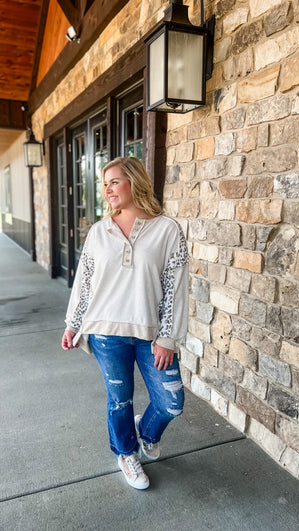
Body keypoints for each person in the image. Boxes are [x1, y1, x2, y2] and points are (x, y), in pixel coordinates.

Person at [62, 157, 189, 490]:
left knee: (171, 403)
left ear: (134, 182)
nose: (107, 190)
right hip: (106, 332)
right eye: (105, 184)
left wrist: (168, 337)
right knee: (119, 400)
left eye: (114, 182)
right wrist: (73, 323)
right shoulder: (99, 232)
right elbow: (85, 282)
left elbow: (175, 287)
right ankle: (126, 453)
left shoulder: (167, 230)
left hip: (151, 334)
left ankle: (147, 431)